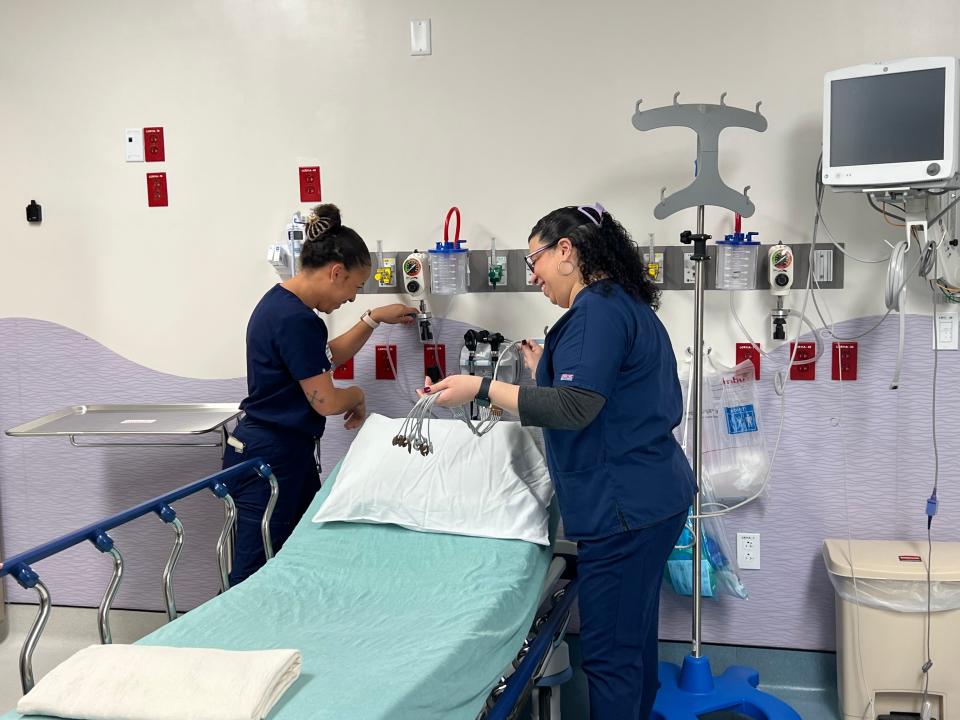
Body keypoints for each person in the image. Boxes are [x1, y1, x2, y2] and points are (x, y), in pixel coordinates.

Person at [420, 203, 695, 719]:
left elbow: (576, 407)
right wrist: (541, 365)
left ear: (566, 251)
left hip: (625, 508)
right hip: (653, 496)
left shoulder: (597, 312)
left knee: (612, 655)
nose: (533, 276)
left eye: (535, 259)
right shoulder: (627, 306)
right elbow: (608, 394)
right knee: (633, 642)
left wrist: (481, 387)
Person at [223, 203, 416, 586]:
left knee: (288, 557)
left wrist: (373, 319)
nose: (351, 298)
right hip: (272, 459)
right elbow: (324, 400)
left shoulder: (279, 304)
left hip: (274, 451)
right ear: (336, 272)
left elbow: (324, 357)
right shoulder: (298, 320)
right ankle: (232, 644)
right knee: (256, 568)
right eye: (355, 287)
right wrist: (357, 395)